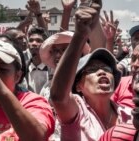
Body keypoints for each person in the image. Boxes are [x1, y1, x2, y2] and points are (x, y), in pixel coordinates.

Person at [50, 0, 134, 140]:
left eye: (107, 69)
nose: (102, 72)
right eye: (93, 70)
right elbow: (59, 97)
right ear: (78, 85)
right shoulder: (77, 112)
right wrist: (80, 35)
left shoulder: (130, 115)